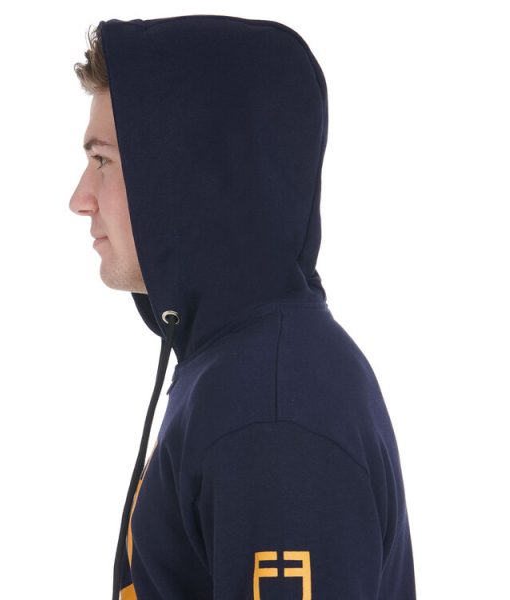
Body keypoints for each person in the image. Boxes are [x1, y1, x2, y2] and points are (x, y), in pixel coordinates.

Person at [70, 15, 417, 600]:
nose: (79, 199)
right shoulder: (236, 367)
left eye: (102, 160)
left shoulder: (272, 413)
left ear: (186, 173)